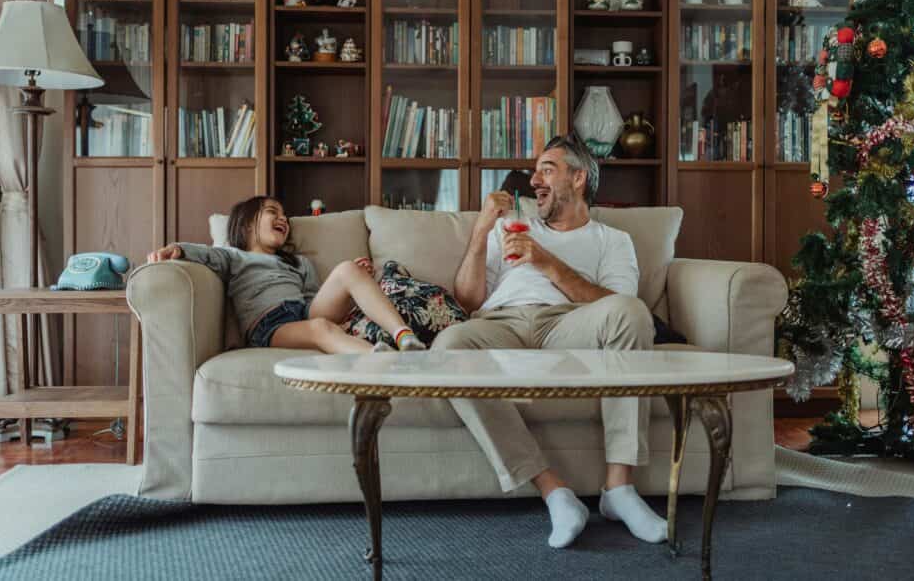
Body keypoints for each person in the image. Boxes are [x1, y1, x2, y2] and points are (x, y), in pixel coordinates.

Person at [434, 133, 663, 549]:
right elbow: (468, 300)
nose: (535, 178)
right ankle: (554, 491)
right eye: (535, 169)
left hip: (568, 326)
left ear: (578, 178)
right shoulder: (507, 227)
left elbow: (619, 306)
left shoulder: (612, 241)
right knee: (448, 347)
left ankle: (619, 489)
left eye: (548, 169)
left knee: (633, 312)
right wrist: (483, 229)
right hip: (502, 324)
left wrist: (546, 262)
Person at [146, 196, 425, 353]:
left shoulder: (300, 263)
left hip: (305, 312)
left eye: (285, 217)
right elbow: (204, 253)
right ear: (245, 225)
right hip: (270, 326)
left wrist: (353, 285)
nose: (283, 219)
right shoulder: (233, 256)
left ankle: (404, 337)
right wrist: (177, 250)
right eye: (272, 213)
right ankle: (387, 365)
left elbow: (314, 299)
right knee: (320, 329)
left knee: (347, 269)